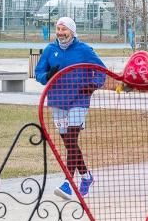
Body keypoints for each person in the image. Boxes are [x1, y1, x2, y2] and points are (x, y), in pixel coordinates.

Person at [35, 16, 106, 200]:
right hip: (58, 101)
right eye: (58, 29)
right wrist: (47, 75)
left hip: (79, 100)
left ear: (72, 32)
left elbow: (101, 69)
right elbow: (39, 73)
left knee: (72, 138)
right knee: (69, 143)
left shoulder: (83, 50)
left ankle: (68, 183)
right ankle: (86, 176)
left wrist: (93, 85)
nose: (60, 33)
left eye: (64, 29)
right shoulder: (50, 49)